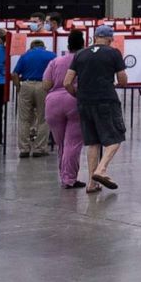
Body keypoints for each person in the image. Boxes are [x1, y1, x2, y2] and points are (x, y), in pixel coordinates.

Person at [64, 24, 128, 192]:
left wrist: (78, 95)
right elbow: (122, 79)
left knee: (93, 142)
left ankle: (92, 183)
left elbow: (67, 82)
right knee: (115, 138)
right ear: (109, 39)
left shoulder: (80, 54)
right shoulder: (113, 53)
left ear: (94, 37)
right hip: (106, 100)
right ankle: (101, 169)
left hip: (84, 102)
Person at [44, 30, 87, 188]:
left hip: (53, 102)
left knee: (61, 143)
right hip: (75, 100)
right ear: (83, 44)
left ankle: (64, 175)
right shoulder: (84, 60)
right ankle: (69, 178)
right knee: (73, 143)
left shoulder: (56, 61)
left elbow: (46, 84)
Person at [12, 37, 56, 158]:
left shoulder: (25, 55)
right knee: (44, 118)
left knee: (24, 119)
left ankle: (24, 149)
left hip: (26, 84)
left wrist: (18, 87)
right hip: (44, 86)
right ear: (44, 47)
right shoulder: (51, 55)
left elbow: (14, 74)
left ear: (31, 47)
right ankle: (39, 148)